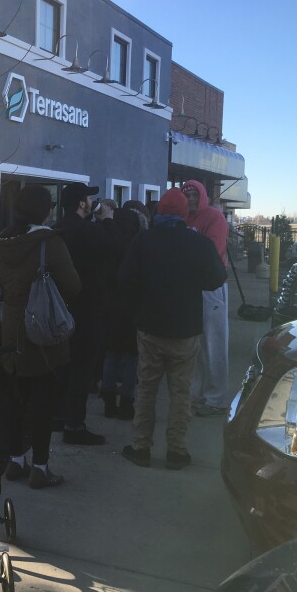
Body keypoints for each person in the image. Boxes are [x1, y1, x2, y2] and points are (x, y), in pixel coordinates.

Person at [117, 188, 227, 469]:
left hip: (150, 328)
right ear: (183, 215)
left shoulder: (143, 241)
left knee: (147, 389)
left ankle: (141, 447)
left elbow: (126, 280)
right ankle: (176, 452)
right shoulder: (199, 243)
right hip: (185, 330)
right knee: (181, 393)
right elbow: (217, 277)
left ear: (158, 214)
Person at [0, 185, 81, 488]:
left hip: (11, 331)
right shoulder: (50, 243)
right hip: (42, 332)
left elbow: (3, 285)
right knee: (43, 403)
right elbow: (73, 286)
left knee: (16, 399)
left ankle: (16, 461)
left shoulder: (4, 243)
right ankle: (41, 468)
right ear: (44, 210)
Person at [53, 182, 108, 445]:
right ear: (81, 203)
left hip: (57, 309)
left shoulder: (54, 230)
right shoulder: (89, 231)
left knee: (60, 367)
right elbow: (114, 253)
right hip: (86, 310)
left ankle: (57, 417)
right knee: (82, 370)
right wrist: (107, 222)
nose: (91, 202)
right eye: (88, 198)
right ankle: (74, 426)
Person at [181, 179, 230, 417]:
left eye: (193, 195)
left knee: (214, 343)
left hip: (211, 288)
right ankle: (197, 394)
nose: (190, 199)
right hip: (190, 287)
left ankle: (217, 399)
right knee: (195, 346)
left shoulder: (214, 218)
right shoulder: (184, 219)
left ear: (202, 195)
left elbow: (213, 252)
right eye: (186, 195)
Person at [100, 207, 141, 420]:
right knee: (131, 357)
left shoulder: (108, 242)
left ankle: (108, 400)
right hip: (131, 307)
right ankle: (126, 401)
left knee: (111, 354)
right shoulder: (135, 246)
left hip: (109, 306)